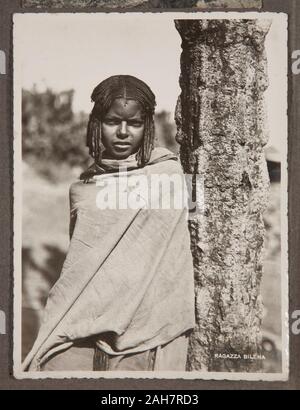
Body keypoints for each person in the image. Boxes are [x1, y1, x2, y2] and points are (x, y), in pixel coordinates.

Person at [23, 75, 195, 372]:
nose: (124, 132)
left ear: (148, 126)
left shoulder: (169, 177)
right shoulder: (84, 188)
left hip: (146, 324)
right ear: (96, 124)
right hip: (81, 316)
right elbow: (83, 265)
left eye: (135, 123)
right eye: (113, 121)